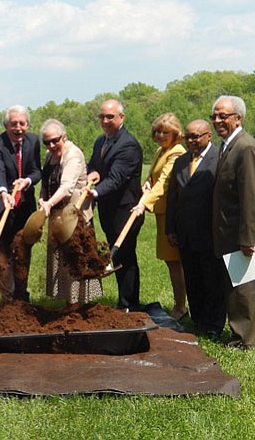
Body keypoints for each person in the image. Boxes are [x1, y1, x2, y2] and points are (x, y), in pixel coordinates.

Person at [211, 95, 255, 348]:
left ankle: (246, 340)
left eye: (223, 115)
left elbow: (254, 196)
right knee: (237, 285)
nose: (217, 120)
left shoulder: (246, 147)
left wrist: (249, 237)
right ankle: (249, 334)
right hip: (229, 231)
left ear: (238, 118)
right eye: (214, 115)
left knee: (245, 287)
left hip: (243, 233)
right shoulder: (227, 145)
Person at [166, 119, 226, 341]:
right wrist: (170, 228)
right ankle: (198, 320)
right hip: (185, 234)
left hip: (210, 233)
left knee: (212, 279)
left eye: (196, 136)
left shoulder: (219, 159)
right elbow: (173, 197)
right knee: (192, 277)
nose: (191, 141)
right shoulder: (181, 162)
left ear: (209, 136)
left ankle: (214, 324)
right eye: (188, 137)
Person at [86, 99, 143, 310]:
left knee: (125, 256)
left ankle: (129, 303)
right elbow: (94, 165)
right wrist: (92, 172)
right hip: (109, 211)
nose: (105, 120)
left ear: (121, 117)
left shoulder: (128, 144)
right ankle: (123, 301)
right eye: (102, 116)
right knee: (117, 254)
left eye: (110, 116)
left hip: (126, 211)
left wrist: (95, 192)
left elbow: (117, 178)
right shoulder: (101, 141)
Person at [38, 119, 102, 308]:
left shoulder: (73, 155)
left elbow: (66, 187)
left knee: (76, 260)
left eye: (55, 140)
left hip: (76, 217)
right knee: (61, 263)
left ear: (63, 137)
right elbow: (45, 182)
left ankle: (81, 306)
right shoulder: (50, 156)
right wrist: (43, 199)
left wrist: (49, 203)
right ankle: (69, 304)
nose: (51, 145)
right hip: (57, 215)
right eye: (46, 142)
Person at [132, 113, 187, 319]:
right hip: (163, 213)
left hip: (173, 213)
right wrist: (147, 181)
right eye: (158, 131)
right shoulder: (161, 150)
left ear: (175, 133)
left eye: (166, 132)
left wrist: (142, 204)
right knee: (171, 261)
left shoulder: (177, 152)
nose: (161, 135)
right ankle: (180, 304)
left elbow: (164, 183)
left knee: (175, 261)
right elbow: (155, 176)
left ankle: (181, 307)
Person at [0, 105, 41, 302]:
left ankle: (21, 295)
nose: (18, 128)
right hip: (4, 207)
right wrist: (3, 191)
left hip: (25, 207)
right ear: (5, 125)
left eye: (22, 123)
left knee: (23, 252)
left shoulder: (33, 141)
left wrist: (27, 181)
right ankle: (7, 298)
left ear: (27, 124)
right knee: (5, 253)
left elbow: (37, 170)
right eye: (13, 124)